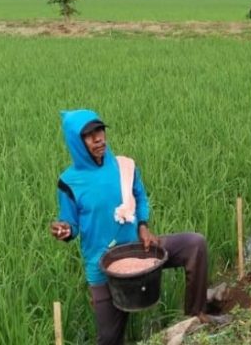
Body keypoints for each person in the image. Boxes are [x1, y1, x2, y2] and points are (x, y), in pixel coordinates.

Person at [50, 109, 225, 345]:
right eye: (89, 135)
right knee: (110, 338)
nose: (99, 138)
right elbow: (71, 223)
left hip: (139, 246)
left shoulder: (124, 166)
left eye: (100, 130)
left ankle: (197, 314)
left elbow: (140, 197)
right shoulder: (69, 182)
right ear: (76, 142)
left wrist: (143, 225)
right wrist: (66, 230)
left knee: (194, 244)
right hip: (104, 267)